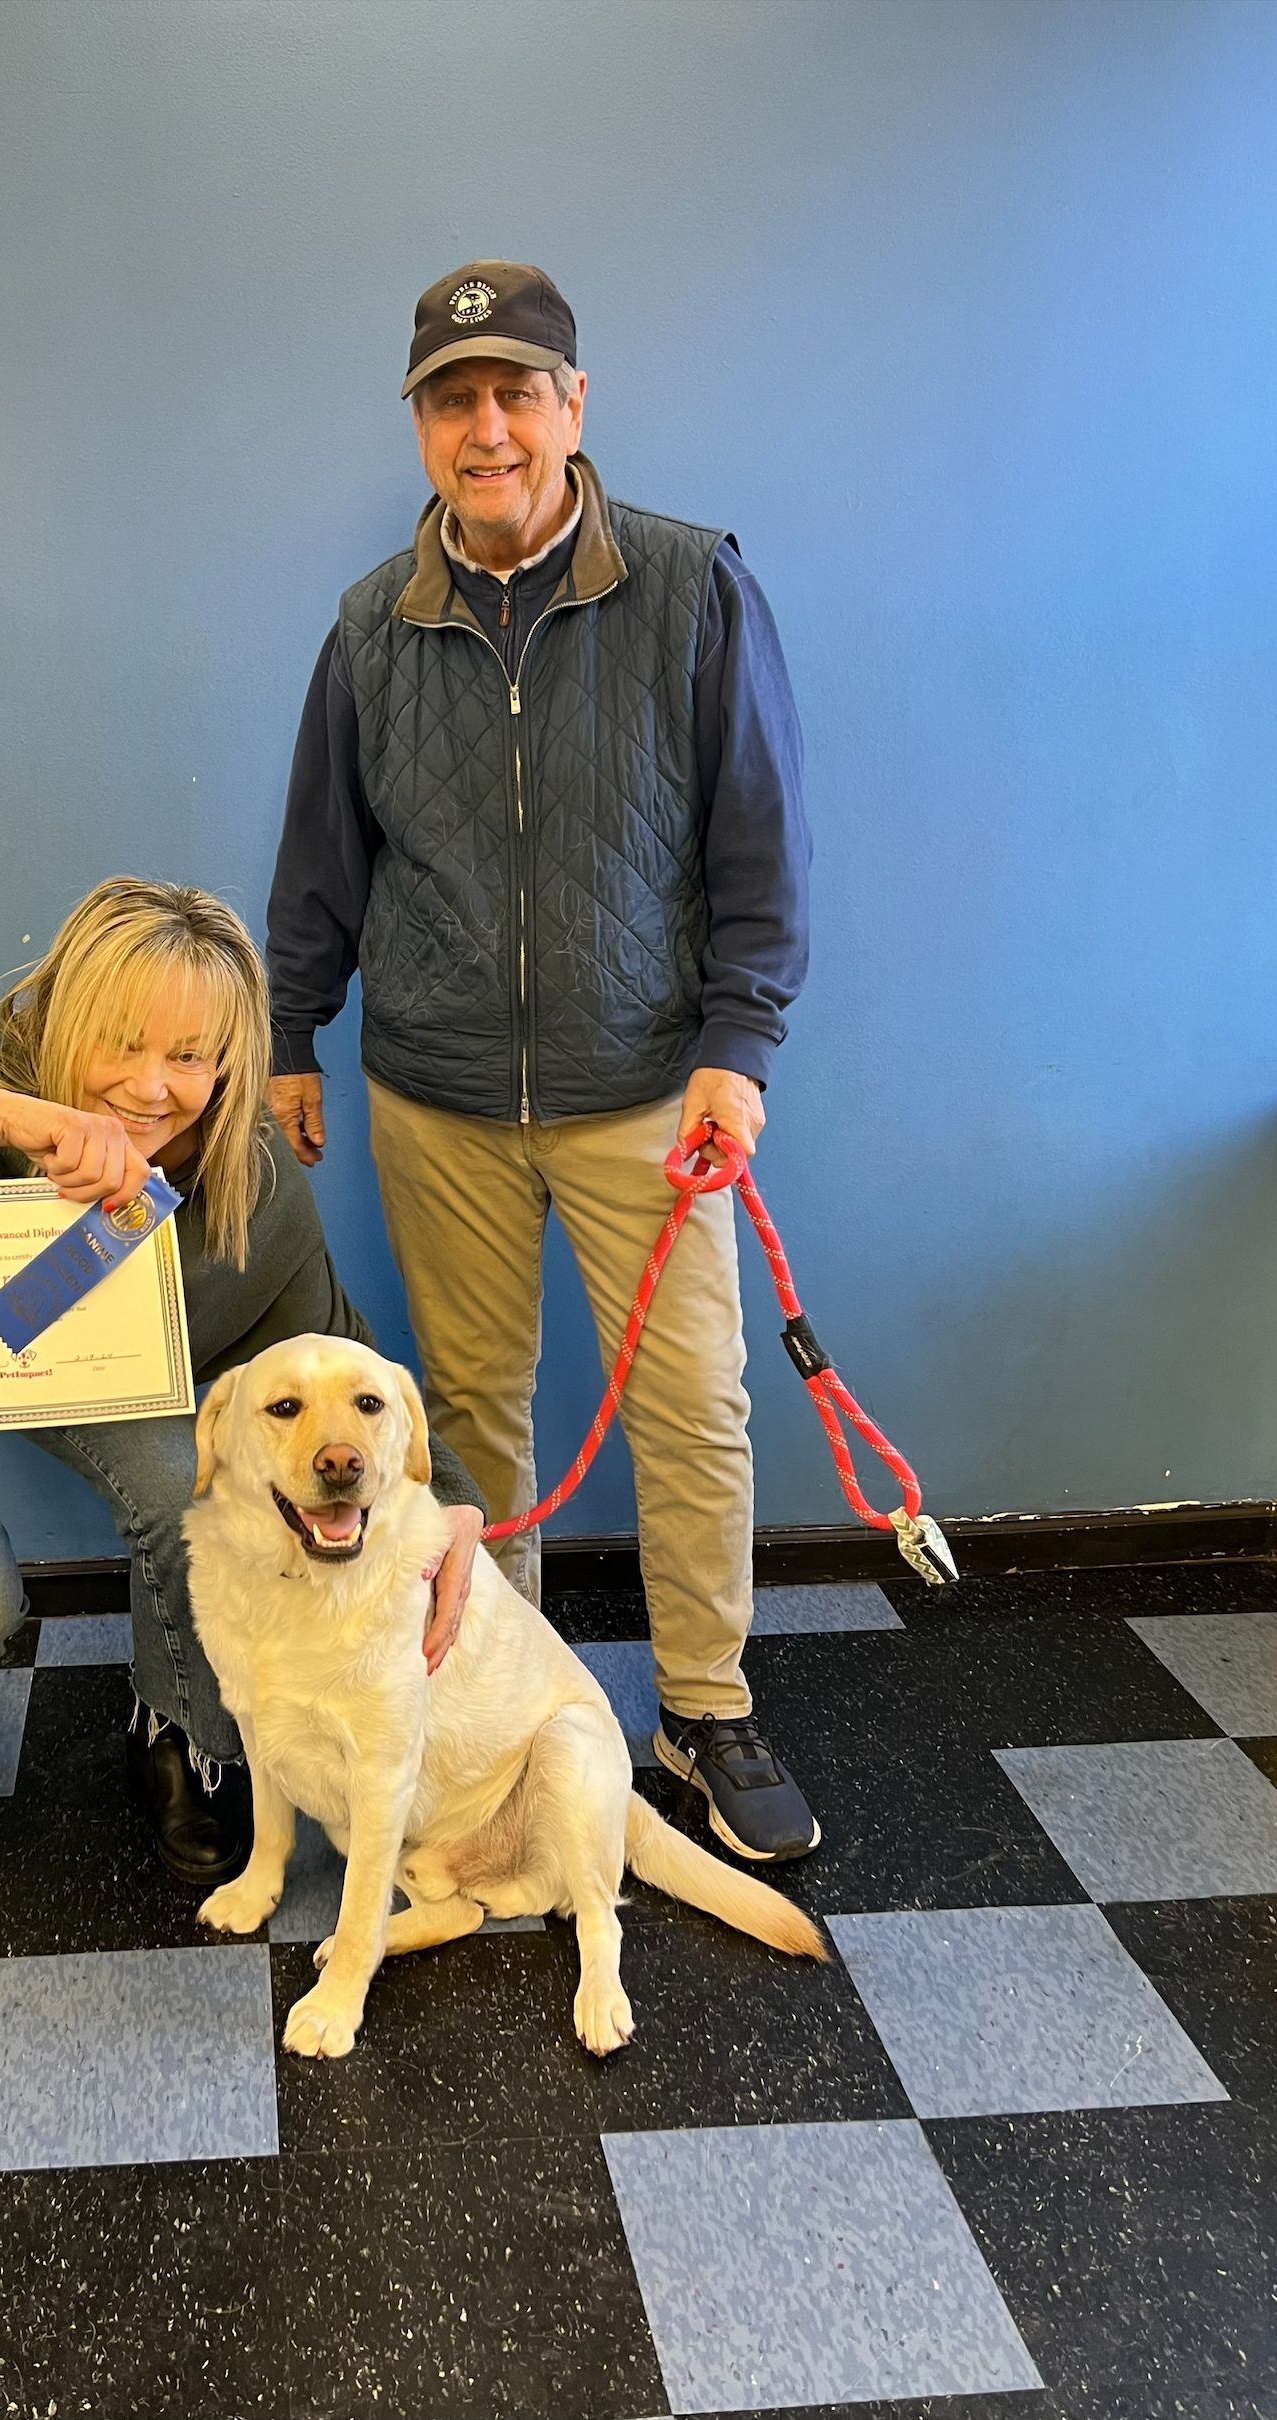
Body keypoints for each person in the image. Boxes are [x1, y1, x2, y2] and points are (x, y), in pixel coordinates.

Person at [266, 261, 819, 1863]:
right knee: (469, 1425)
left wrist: (739, 1045)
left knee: (693, 1414)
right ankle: (491, 1698)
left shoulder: (689, 585)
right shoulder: (372, 624)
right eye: (453, 399)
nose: (486, 426)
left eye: (517, 393)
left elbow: (757, 846)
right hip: (432, 1095)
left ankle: (701, 1709)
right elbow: (321, 856)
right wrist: (294, 1029)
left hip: (648, 1087)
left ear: (573, 408)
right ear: (422, 429)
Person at [0, 879, 484, 1886]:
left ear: (229, 1062)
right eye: (121, 1041)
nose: (151, 1086)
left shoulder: (247, 1175)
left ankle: (177, 1731)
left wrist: (456, 1498)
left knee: (200, 1498)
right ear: (65, 1019)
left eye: (189, 1056)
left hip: (78, 1353)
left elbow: (338, 1349)